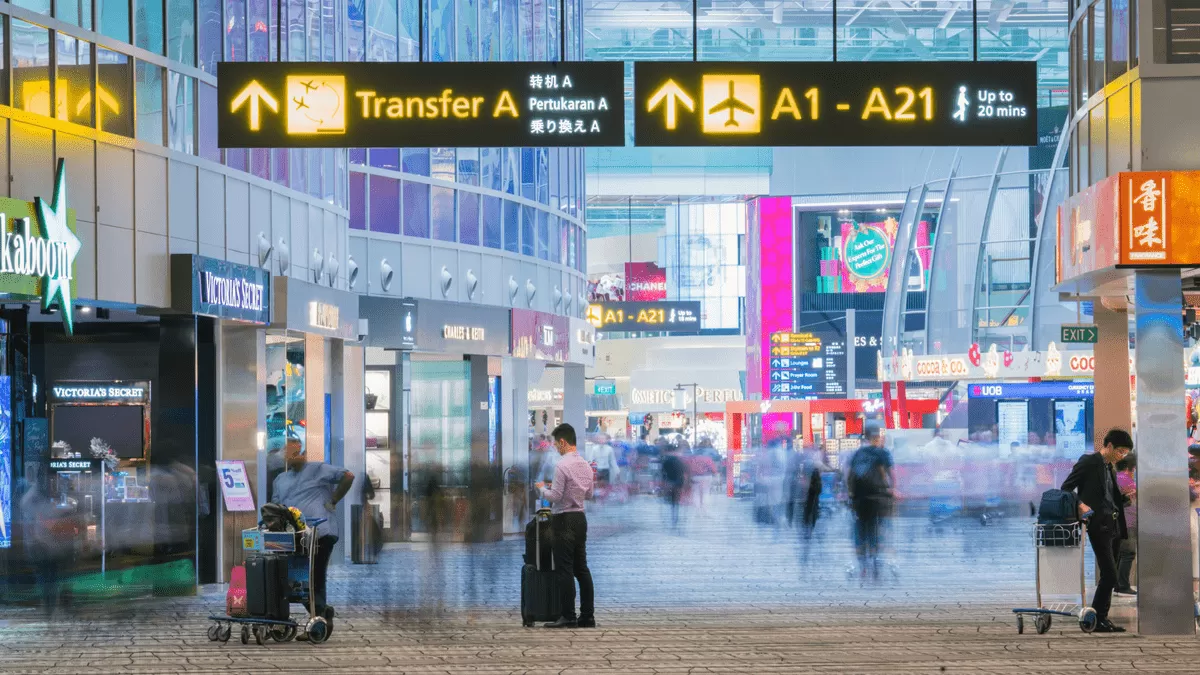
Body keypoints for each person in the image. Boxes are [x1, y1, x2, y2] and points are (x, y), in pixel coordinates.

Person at [272, 439, 355, 634]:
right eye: (288, 453)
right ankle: (321, 613)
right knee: (296, 580)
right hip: (296, 537)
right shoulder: (281, 480)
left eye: (296, 452)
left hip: (321, 533)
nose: (293, 456)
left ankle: (319, 622)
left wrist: (334, 500)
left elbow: (348, 476)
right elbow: (277, 507)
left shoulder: (318, 469)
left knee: (314, 577)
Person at [1061, 428, 1132, 633]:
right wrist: (1080, 504)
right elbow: (1066, 488)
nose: (1122, 456)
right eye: (1120, 451)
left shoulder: (1110, 467)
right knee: (1110, 574)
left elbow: (1109, 496)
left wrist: (1126, 498)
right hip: (1098, 525)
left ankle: (1102, 618)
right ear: (1108, 446)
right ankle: (1095, 617)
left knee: (1111, 574)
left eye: (1125, 453)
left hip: (1115, 525)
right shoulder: (1089, 462)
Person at [537, 423, 596, 628]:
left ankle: (568, 616)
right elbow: (589, 494)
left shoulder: (562, 465)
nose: (555, 448)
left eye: (555, 444)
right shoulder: (586, 465)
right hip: (580, 519)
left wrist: (542, 489)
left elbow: (555, 497)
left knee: (565, 569)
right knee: (582, 569)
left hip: (563, 520)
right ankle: (587, 616)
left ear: (563, 442)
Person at [846, 423, 894, 581]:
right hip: (878, 498)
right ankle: (875, 562)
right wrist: (893, 490)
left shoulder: (858, 453)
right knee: (877, 529)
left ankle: (863, 565)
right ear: (877, 436)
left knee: (860, 530)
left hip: (859, 500)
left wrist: (849, 494)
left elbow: (849, 476)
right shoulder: (882, 453)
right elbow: (892, 475)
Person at [1115, 453, 1137, 595]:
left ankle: (1118, 584)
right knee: (1128, 553)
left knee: (1122, 554)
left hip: (1122, 521)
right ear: (1131, 467)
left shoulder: (1117, 477)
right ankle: (1122, 585)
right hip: (1127, 521)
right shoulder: (1125, 479)